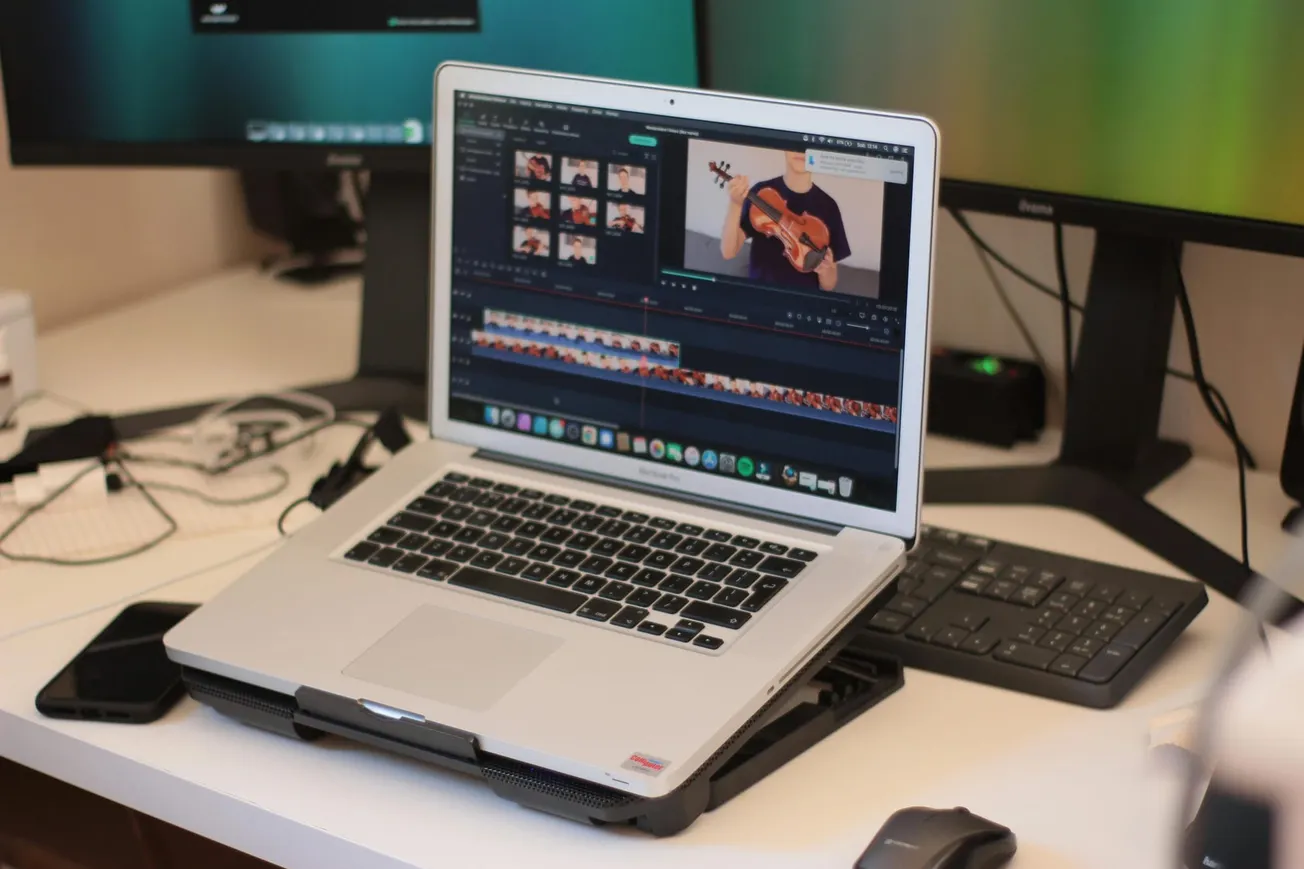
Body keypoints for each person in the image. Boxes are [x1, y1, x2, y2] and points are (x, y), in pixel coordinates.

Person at [719, 150, 851, 292]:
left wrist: (826, 271)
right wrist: (735, 204)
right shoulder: (762, 192)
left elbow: (829, 285)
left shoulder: (828, 207)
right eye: (795, 143)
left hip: (802, 303)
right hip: (760, 296)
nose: (801, 150)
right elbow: (728, 252)